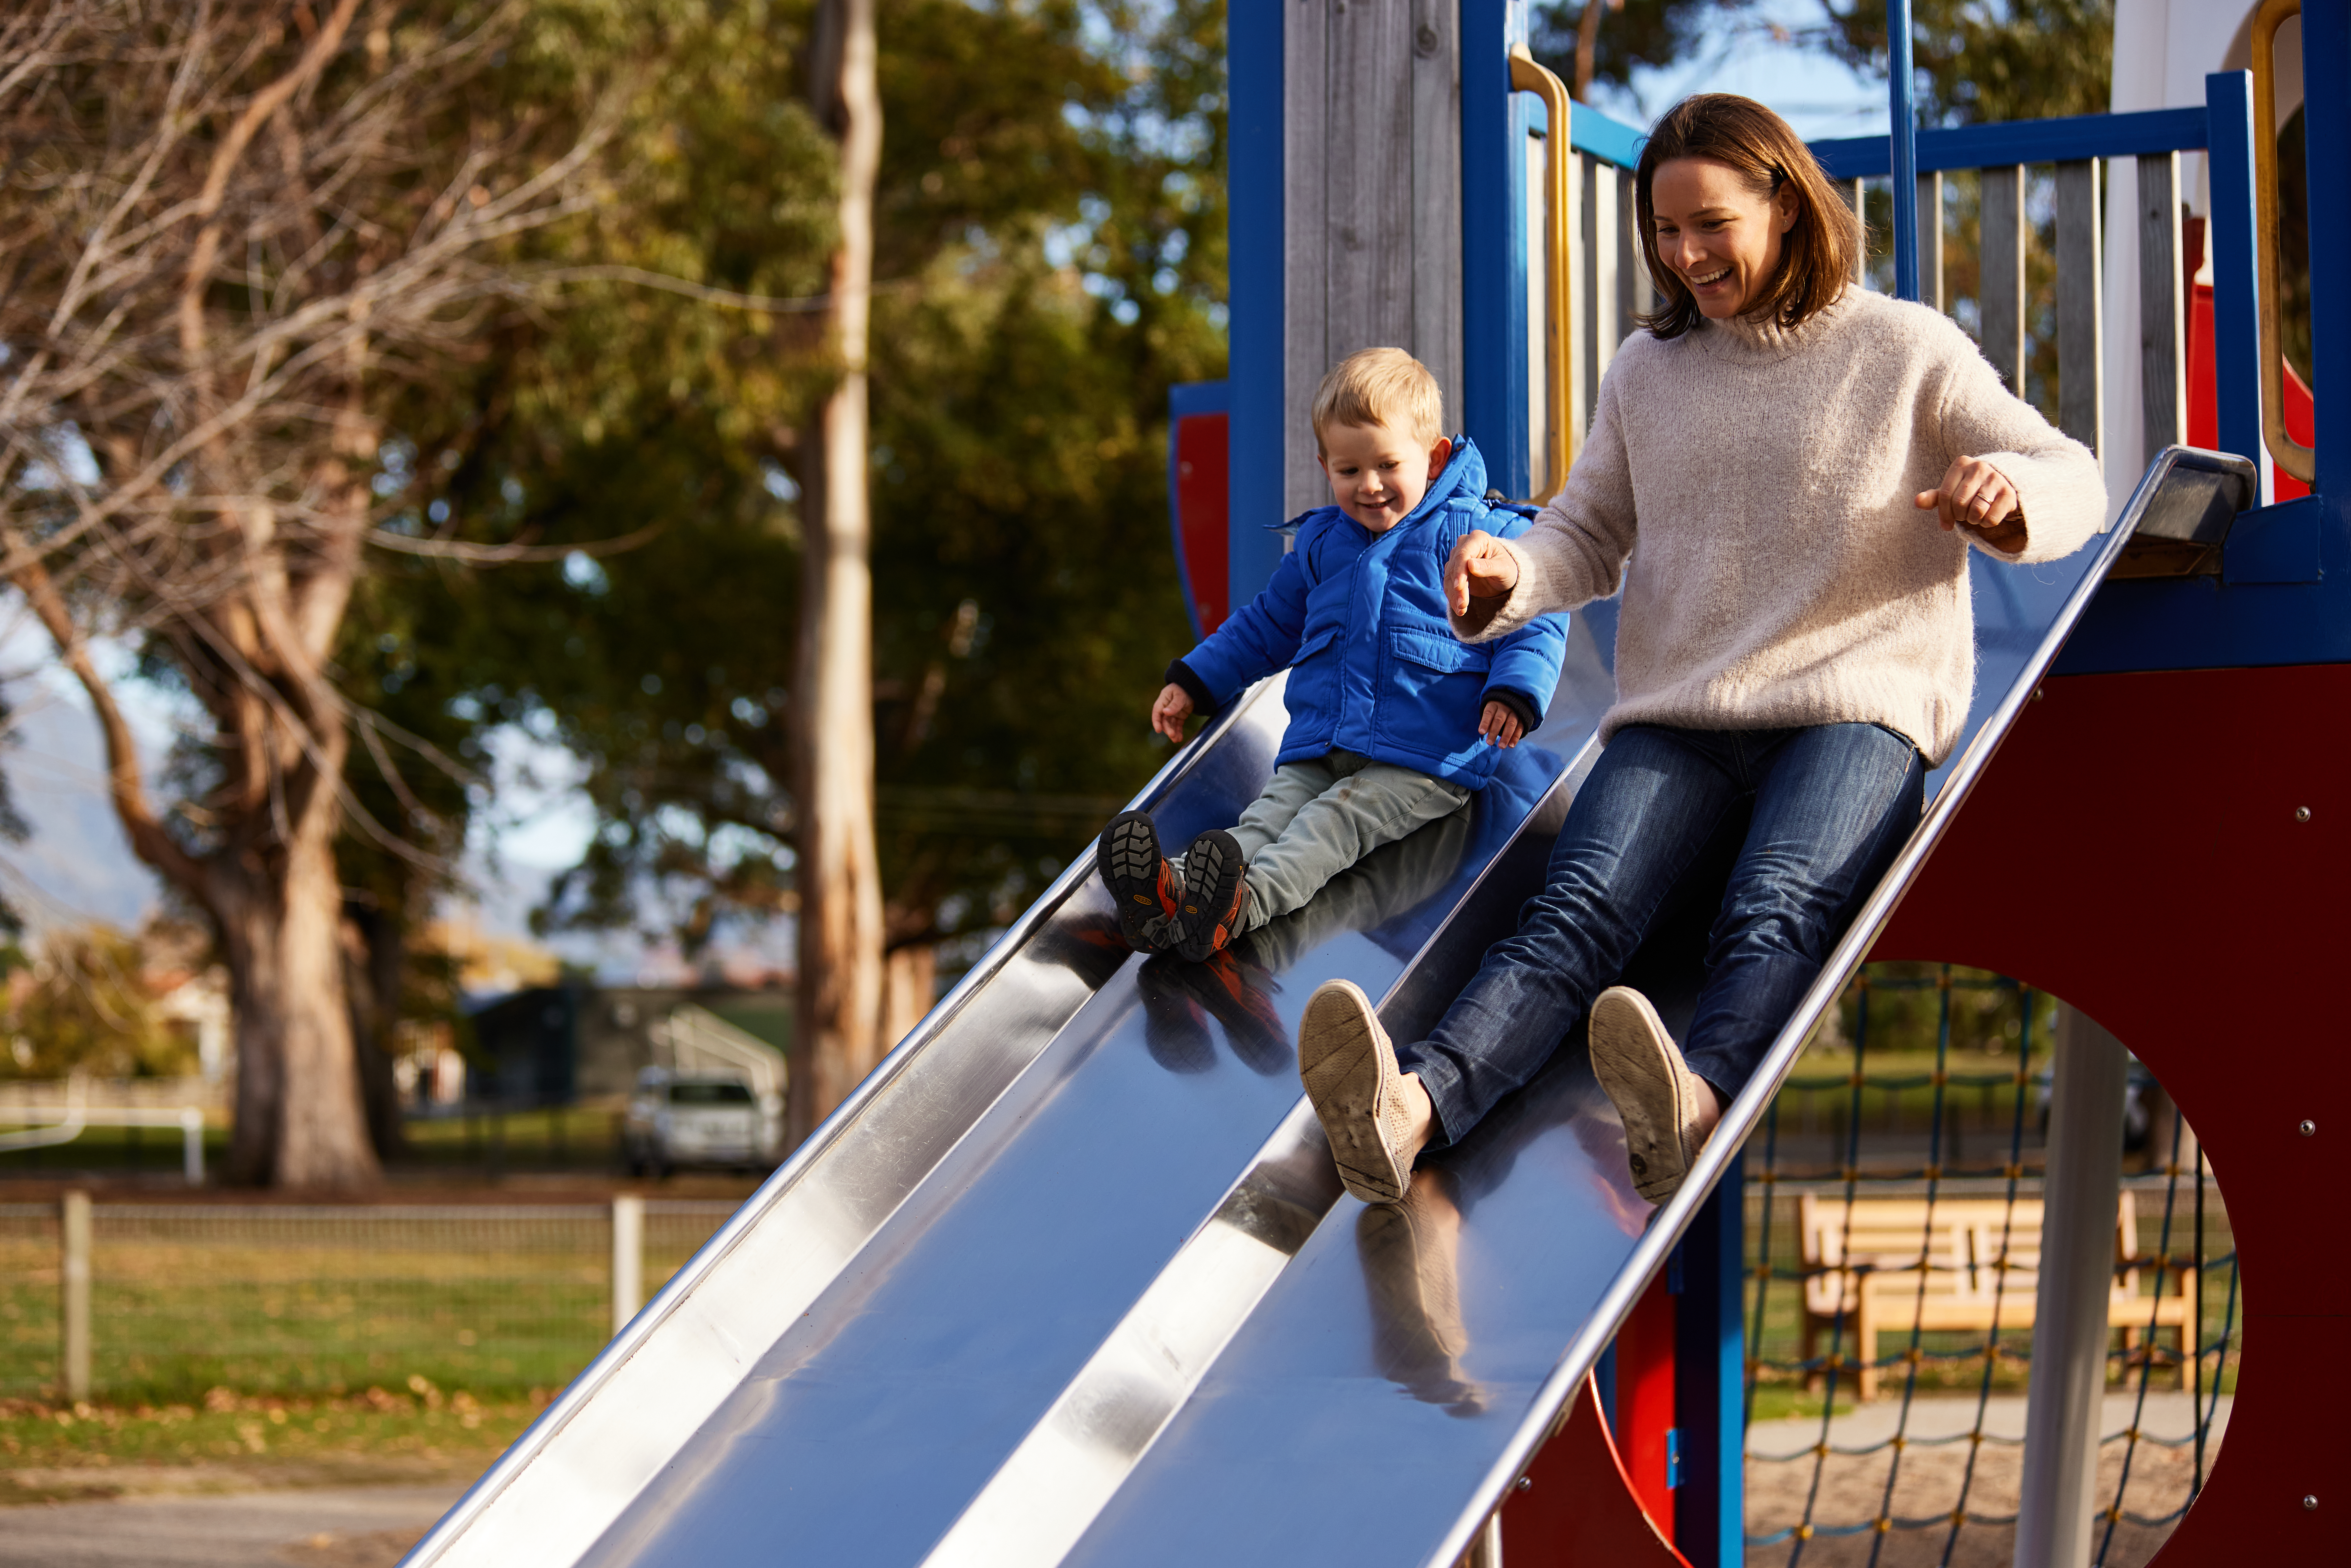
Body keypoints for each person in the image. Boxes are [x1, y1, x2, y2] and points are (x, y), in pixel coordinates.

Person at [1297, 94, 2107, 1207]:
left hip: (1853, 704)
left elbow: (2076, 474)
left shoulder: (1902, 347)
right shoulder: (1648, 370)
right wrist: (1509, 577)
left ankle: (1700, 1103)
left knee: (1774, 900)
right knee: (1572, 910)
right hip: (1682, 709)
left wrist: (2007, 492)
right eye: (1663, 233)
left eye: (1708, 225)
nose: (1683, 256)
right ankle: (1407, 1112)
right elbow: (1584, 530)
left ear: (1782, 200)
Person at [1098, 348, 1569, 963]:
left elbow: (1536, 612)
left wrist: (1514, 691)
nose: (1368, 486)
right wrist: (1196, 679)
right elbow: (1267, 625)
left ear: (1433, 457)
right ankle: (1172, 893)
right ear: (1325, 467)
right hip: (1322, 745)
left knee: (1326, 830)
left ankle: (1236, 907)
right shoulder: (1324, 542)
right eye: (1348, 471)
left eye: (1387, 465)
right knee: (1263, 821)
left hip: (1423, 759)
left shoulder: (1481, 534)